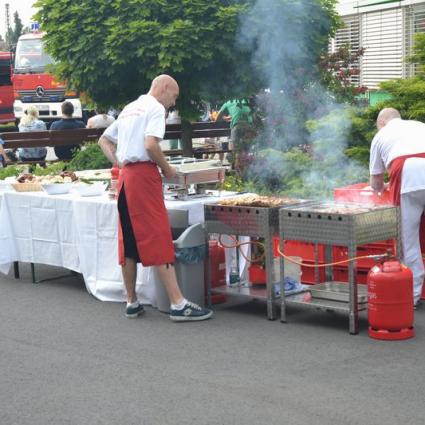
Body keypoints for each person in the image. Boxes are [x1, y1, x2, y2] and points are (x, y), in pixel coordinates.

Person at [98, 74, 213, 322]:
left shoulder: (130, 108)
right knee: (158, 235)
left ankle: (131, 302)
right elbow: (151, 145)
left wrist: (120, 162)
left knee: (128, 240)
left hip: (126, 178)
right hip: (144, 177)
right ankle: (178, 303)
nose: (173, 103)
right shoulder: (155, 109)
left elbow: (103, 140)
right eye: (174, 96)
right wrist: (168, 169)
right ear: (163, 88)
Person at [369, 107, 425, 308]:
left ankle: (413, 295)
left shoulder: (381, 135)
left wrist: (382, 186)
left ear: (381, 123)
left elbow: (375, 182)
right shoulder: (419, 125)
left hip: (408, 173)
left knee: (408, 239)